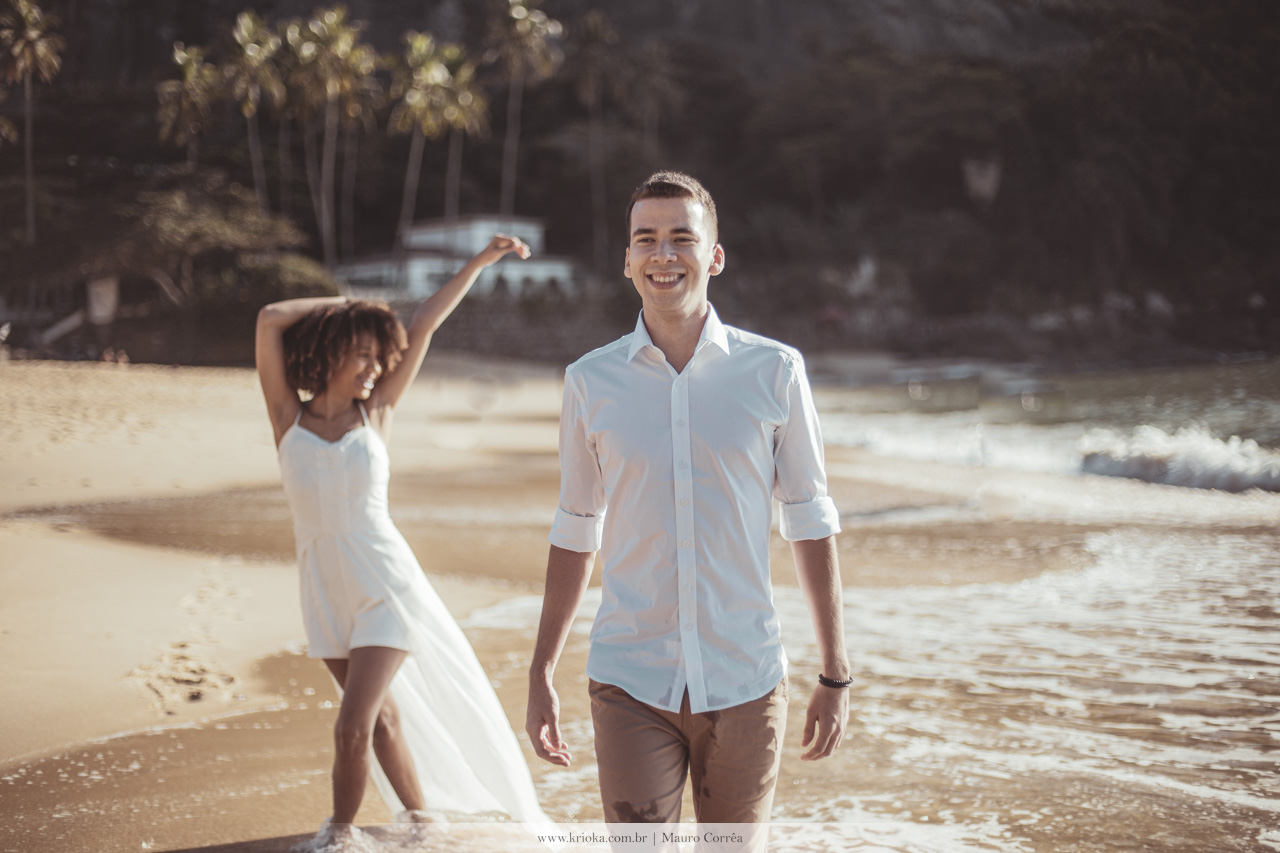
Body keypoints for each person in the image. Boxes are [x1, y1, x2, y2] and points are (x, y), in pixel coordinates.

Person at [525, 172, 850, 846]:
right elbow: (576, 526)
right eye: (646, 239)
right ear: (627, 260)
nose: (663, 254)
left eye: (681, 238)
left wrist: (835, 671)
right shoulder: (591, 380)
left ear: (715, 256)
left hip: (745, 676)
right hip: (629, 677)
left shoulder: (775, 371)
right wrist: (540, 670)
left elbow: (810, 520)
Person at [256, 235, 550, 851]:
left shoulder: (378, 414)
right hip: (324, 588)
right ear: (334, 350)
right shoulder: (288, 417)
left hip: (385, 583)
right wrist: (348, 306)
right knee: (384, 719)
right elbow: (270, 319)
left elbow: (425, 322)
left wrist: (480, 261)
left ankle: (337, 835)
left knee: (352, 725)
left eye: (378, 358)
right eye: (362, 355)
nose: (374, 368)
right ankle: (423, 821)